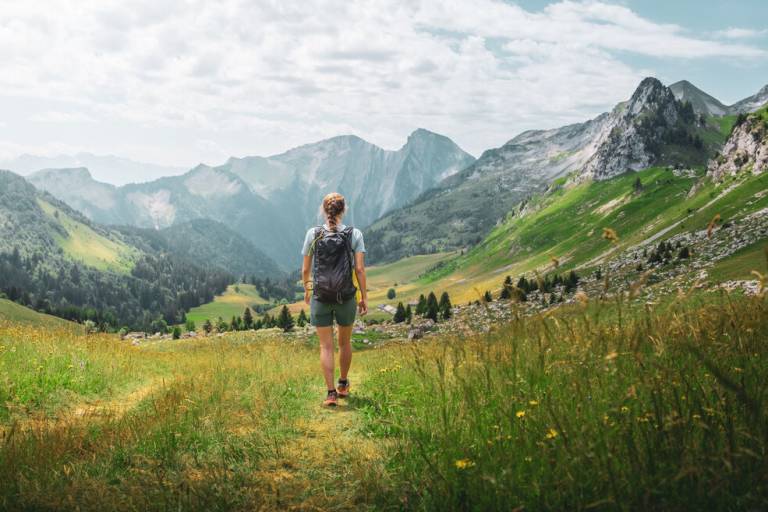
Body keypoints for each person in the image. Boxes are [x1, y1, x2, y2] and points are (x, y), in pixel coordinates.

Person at [301, 192, 368, 406]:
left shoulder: (313, 233)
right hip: (346, 297)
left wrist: (308, 289)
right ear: (343, 210)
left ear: (324, 210)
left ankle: (330, 394)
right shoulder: (354, 234)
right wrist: (363, 297)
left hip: (320, 296)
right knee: (345, 342)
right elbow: (359, 268)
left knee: (326, 347)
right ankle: (342, 384)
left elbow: (305, 270)